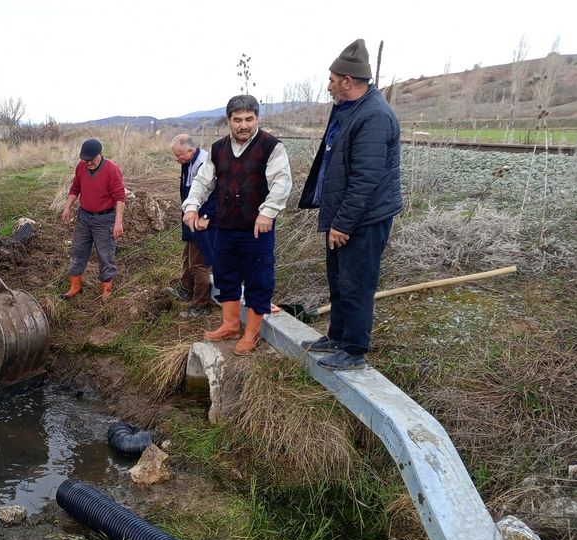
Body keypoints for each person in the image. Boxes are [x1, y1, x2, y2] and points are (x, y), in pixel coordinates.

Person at [298, 39, 403, 370]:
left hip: (364, 217)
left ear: (347, 80)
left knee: (357, 282)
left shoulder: (374, 117)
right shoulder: (348, 108)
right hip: (344, 211)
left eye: (331, 80)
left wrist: (343, 223)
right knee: (338, 277)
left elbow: (365, 179)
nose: (328, 86)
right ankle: (338, 336)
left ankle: (354, 350)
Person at [182, 95, 292, 355]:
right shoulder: (218, 149)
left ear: (257, 118)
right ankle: (230, 326)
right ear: (229, 121)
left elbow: (282, 182)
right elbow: (202, 181)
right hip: (225, 227)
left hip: (257, 228)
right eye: (238, 120)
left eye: (249, 119)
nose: (244, 125)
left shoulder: (271, 146)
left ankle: (251, 334)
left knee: (258, 279)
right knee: (225, 275)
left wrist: (268, 212)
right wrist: (191, 206)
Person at [60, 138, 127, 301]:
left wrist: (118, 222)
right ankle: (75, 286)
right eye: (85, 160)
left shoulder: (111, 169)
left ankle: (106, 290)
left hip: (105, 219)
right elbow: (75, 188)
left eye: (91, 160)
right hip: (84, 217)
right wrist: (67, 206)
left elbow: (120, 197)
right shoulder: (81, 167)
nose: (88, 163)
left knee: (105, 254)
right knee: (78, 250)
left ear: (99, 155)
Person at [168, 133, 216, 318]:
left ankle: (200, 305)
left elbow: (215, 194)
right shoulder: (188, 162)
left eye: (179, 155)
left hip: (201, 218)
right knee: (187, 255)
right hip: (190, 216)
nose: (176, 158)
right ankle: (186, 289)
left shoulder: (204, 164)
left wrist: (205, 216)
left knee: (199, 263)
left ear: (191, 150)